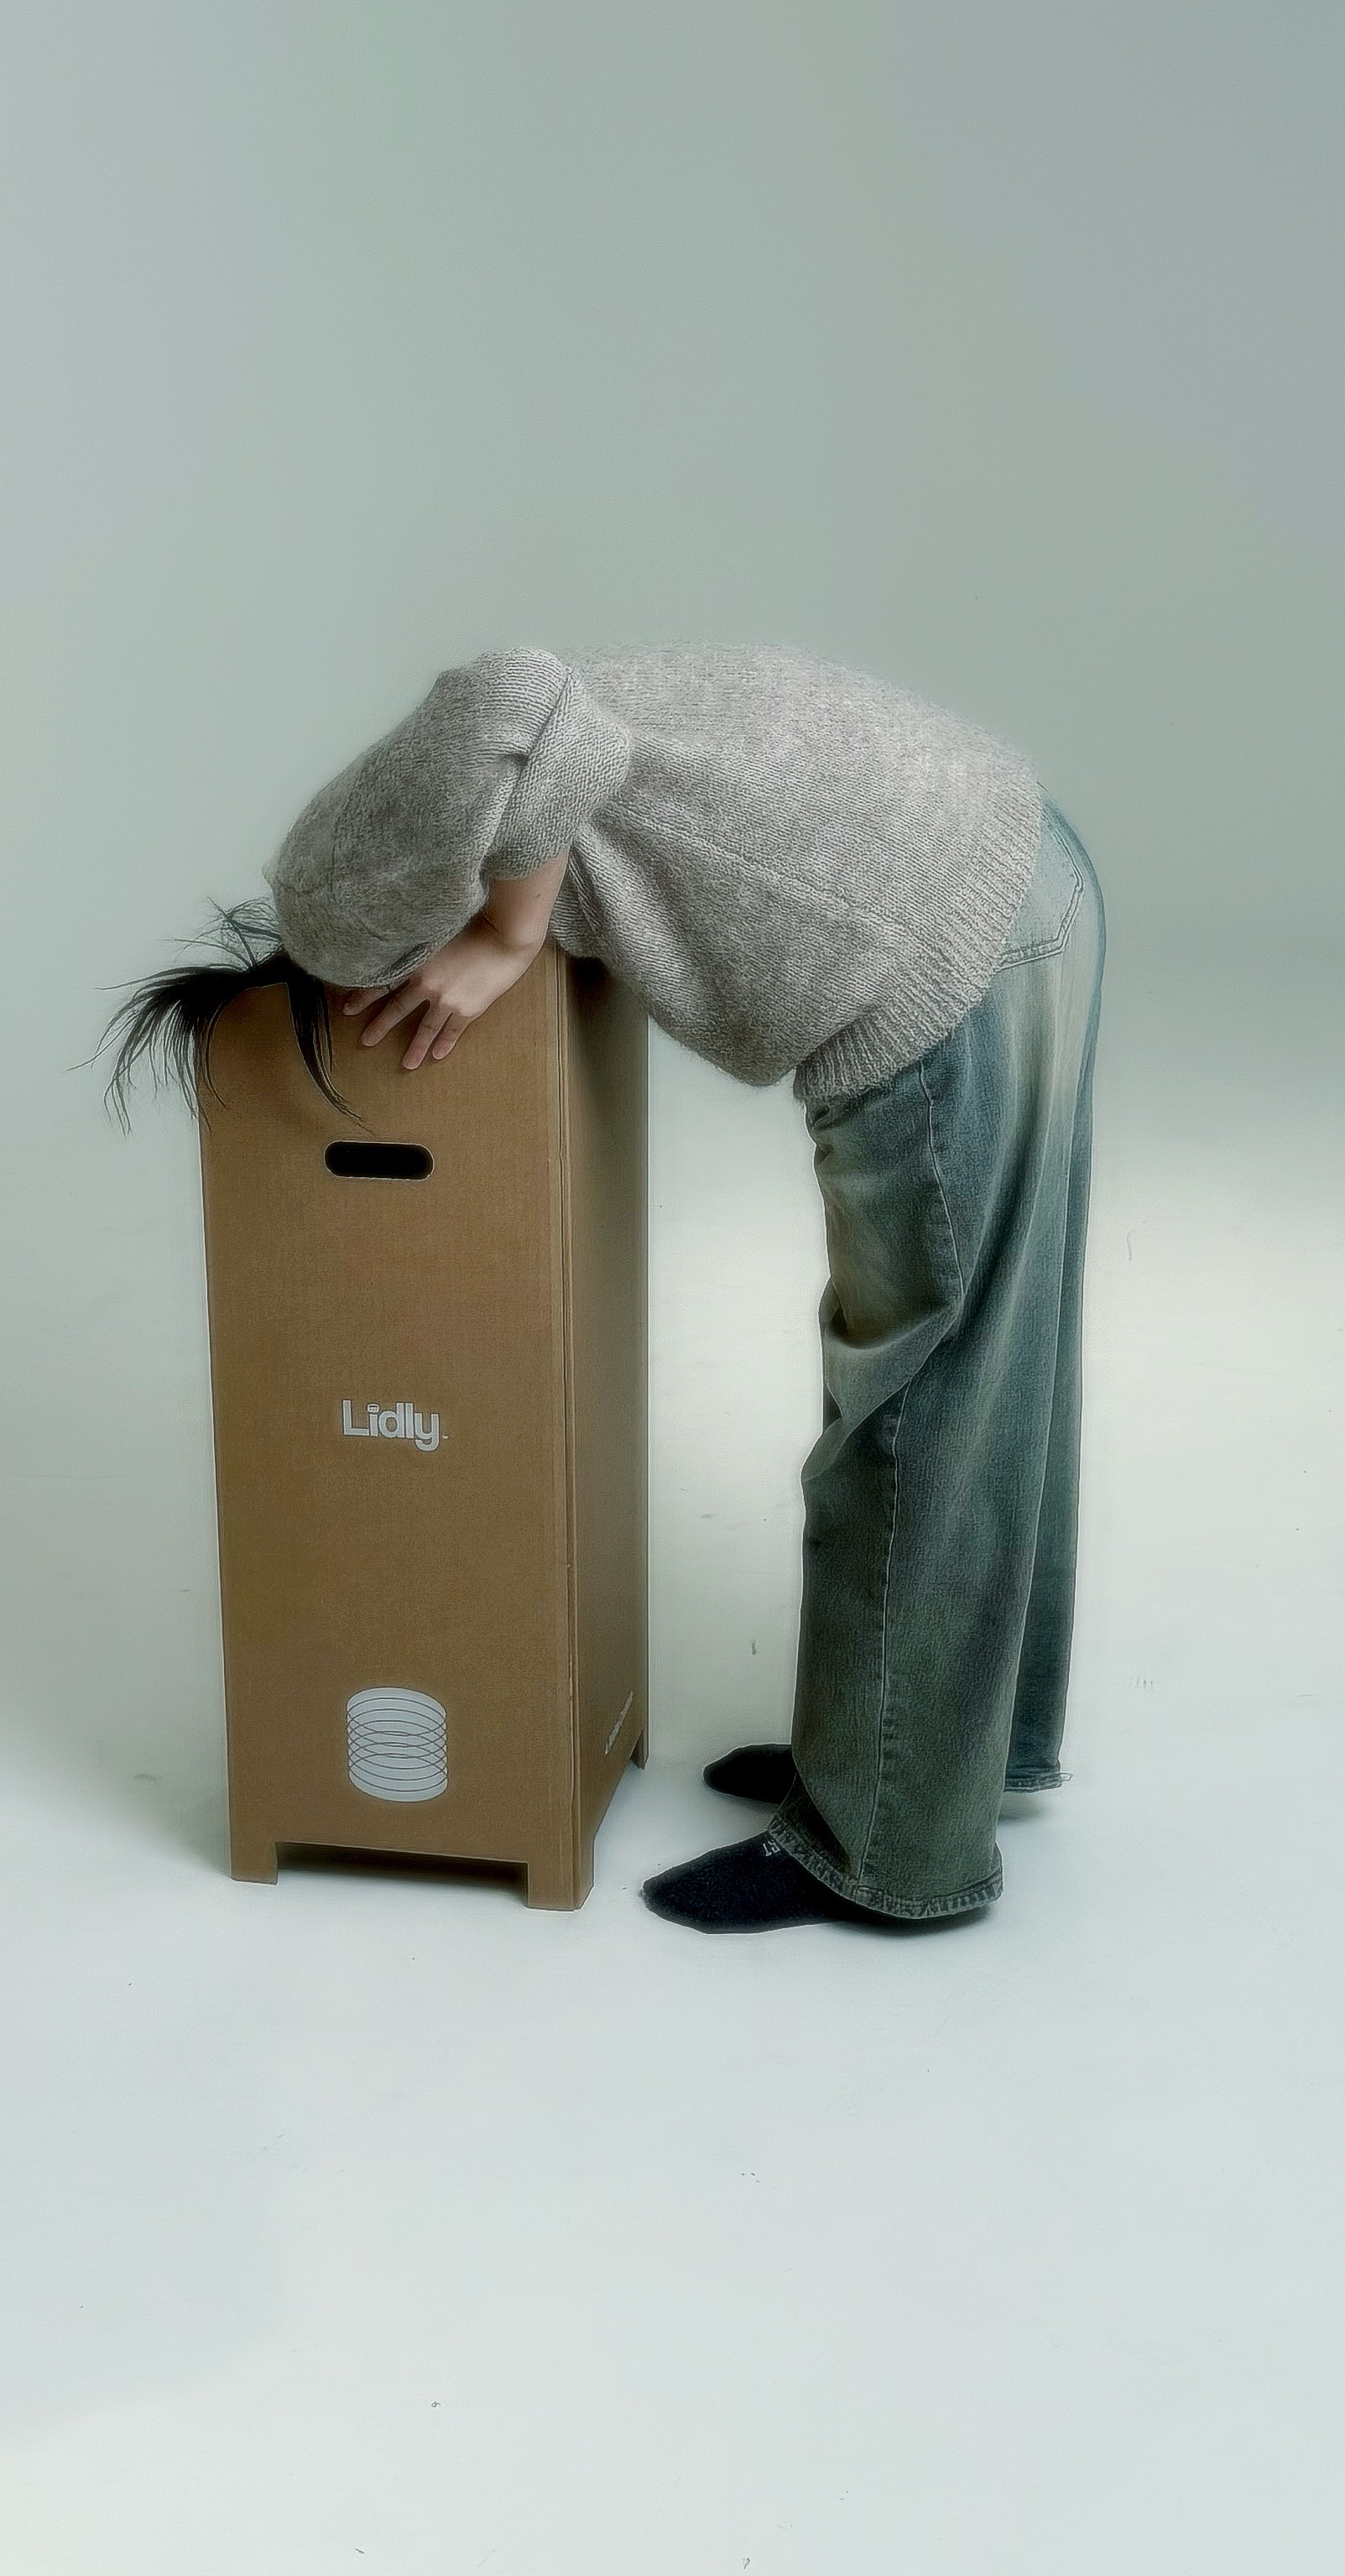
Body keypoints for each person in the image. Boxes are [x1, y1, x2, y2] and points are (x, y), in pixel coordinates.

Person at [104, 640, 1104, 1937]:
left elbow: (523, 689)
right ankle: (912, 1760)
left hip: (946, 952)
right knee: (995, 1367)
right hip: (1008, 871)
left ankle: (886, 1850)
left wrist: (508, 929)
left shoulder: (365, 863)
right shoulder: (406, 825)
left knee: (921, 1407)